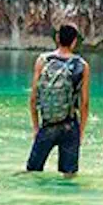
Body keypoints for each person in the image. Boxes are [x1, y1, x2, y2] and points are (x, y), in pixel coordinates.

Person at [26, 24, 90, 176]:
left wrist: (36, 127)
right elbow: (84, 103)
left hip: (47, 124)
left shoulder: (43, 60)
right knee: (69, 176)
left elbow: (34, 98)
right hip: (70, 126)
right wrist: (81, 131)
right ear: (74, 42)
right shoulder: (81, 65)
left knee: (32, 171)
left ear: (57, 38)